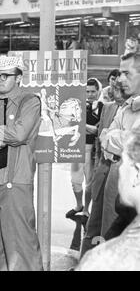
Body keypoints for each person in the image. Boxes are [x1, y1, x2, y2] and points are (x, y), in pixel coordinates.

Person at [0, 55, 43, 271]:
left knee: (21, 246)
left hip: (15, 182)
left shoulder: (29, 101)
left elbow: (20, 134)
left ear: (19, 78)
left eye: (5, 76)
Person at [76, 125, 140, 271]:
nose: (120, 169)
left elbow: (108, 135)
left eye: (122, 161)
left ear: (137, 173)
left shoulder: (104, 260)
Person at [80, 79, 127, 257]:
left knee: (111, 224)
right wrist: (99, 166)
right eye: (116, 89)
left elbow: (125, 142)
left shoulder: (134, 111)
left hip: (122, 171)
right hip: (104, 167)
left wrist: (111, 137)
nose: (118, 93)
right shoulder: (108, 108)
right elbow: (101, 138)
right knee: (94, 222)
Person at [100, 44, 140, 238]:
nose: (120, 79)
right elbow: (105, 137)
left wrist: (116, 137)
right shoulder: (126, 107)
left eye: (126, 73)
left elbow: (132, 143)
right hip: (119, 180)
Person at [66, 78, 103, 222]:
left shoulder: (102, 107)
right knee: (75, 181)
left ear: (98, 91)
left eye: (93, 91)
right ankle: (79, 205)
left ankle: (87, 208)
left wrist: (81, 125)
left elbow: (96, 130)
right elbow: (70, 124)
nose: (90, 94)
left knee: (89, 182)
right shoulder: (77, 105)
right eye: (87, 91)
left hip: (92, 149)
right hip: (76, 146)